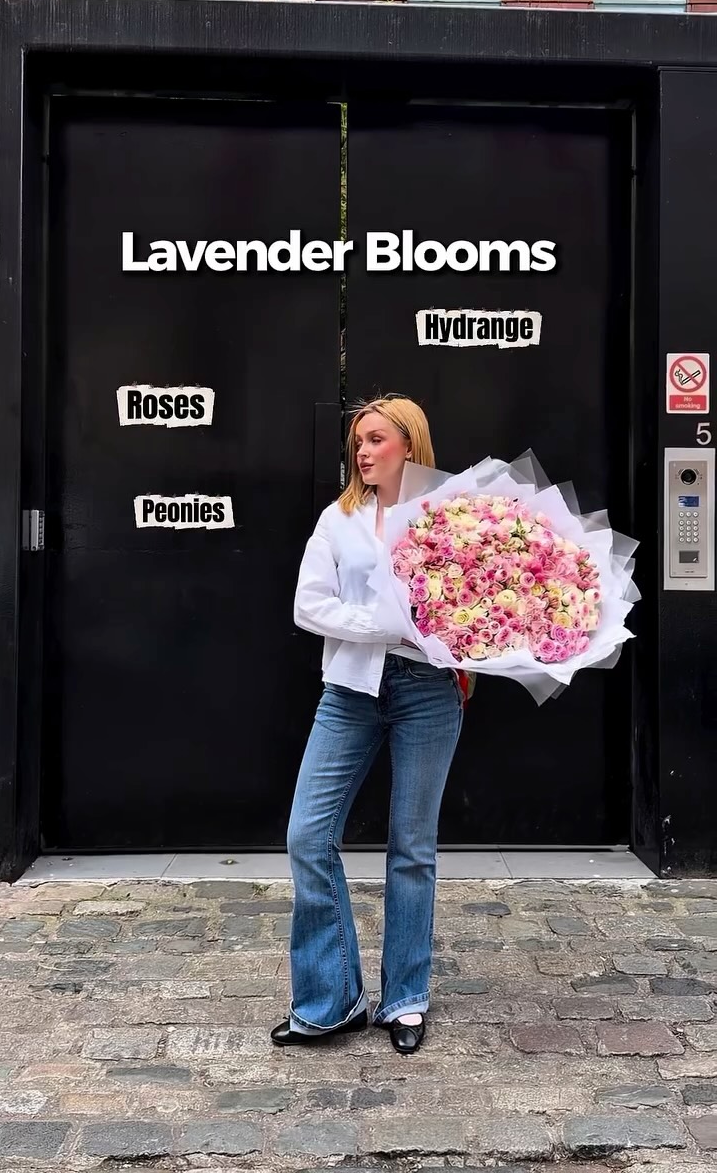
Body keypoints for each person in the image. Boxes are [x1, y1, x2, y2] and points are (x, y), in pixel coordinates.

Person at [270, 394, 465, 1056]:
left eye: (376, 438)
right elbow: (309, 605)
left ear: (409, 443)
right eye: (358, 441)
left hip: (428, 694)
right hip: (350, 690)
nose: (363, 450)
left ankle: (405, 999)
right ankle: (333, 1000)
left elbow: (475, 602)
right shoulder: (339, 518)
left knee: (413, 848)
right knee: (307, 834)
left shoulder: (450, 516)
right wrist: (380, 627)